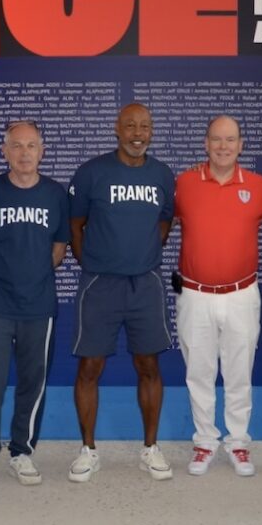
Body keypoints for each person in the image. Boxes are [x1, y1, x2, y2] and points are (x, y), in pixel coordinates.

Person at [67, 103, 176, 482]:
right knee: (90, 367)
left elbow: (166, 220)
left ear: (152, 130)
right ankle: (88, 450)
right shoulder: (92, 172)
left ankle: (150, 448)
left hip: (145, 283)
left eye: (144, 126)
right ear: (117, 128)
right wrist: (92, 263)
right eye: (129, 125)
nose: (137, 132)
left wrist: (142, 252)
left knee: (148, 365)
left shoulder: (162, 174)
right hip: (100, 284)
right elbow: (75, 224)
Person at [0, 120, 70, 492]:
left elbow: (59, 249)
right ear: (4, 151)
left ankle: (21, 450)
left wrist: (31, 275)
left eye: (31, 146)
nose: (25, 153)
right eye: (17, 146)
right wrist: (2, 274)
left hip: (38, 306)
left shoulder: (56, 195)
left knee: (32, 383)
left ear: (42, 151)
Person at [174, 115, 262, 476]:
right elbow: (152, 223)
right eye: (216, 139)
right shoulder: (184, 184)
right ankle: (204, 442)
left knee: (238, 373)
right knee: (198, 374)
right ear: (205, 143)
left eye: (230, 139)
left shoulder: (258, 185)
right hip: (195, 295)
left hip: (241, 295)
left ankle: (238, 443)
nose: (223, 146)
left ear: (241, 144)